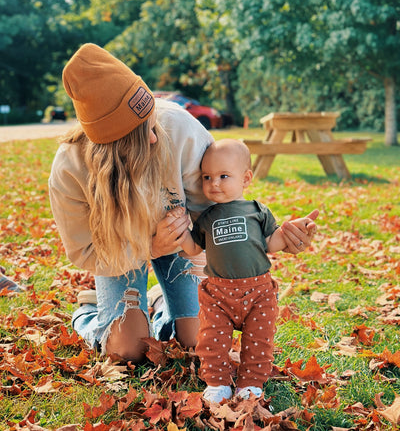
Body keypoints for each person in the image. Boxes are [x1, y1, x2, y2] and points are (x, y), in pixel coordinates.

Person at [48, 43, 316, 363]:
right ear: (112, 146)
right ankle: (90, 313)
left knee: (198, 338)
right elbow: (85, 252)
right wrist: (150, 247)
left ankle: (164, 304)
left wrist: (278, 239)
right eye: (140, 132)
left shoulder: (180, 129)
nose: (153, 137)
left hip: (184, 244)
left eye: (152, 120)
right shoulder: (69, 171)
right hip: (117, 252)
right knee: (128, 349)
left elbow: (216, 217)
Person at [178, 138, 318, 403]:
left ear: (246, 178)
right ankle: (218, 382)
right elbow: (194, 247)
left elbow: (271, 243)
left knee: (259, 340)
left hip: (259, 291)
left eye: (223, 176)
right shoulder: (207, 217)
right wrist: (178, 232)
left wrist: (293, 230)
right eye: (207, 177)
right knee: (212, 340)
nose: (214, 183)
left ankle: (251, 382)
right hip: (218, 293)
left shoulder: (257, 211)